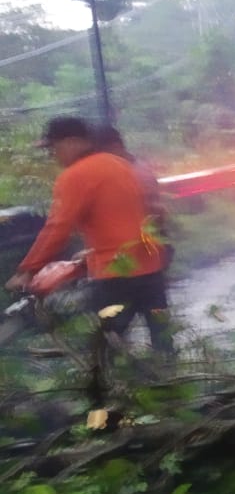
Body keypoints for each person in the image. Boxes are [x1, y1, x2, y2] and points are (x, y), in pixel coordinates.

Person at [6, 116, 174, 356]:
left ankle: (113, 388)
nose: (53, 155)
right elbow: (140, 215)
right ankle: (172, 384)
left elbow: (58, 227)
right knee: (162, 339)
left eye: (54, 147)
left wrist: (27, 271)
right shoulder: (120, 165)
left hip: (116, 274)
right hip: (150, 268)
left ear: (73, 142)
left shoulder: (75, 176)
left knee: (103, 348)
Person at [98, 125, 173, 269]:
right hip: (145, 246)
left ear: (116, 147)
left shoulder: (135, 172)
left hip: (143, 248)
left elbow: (151, 212)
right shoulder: (133, 168)